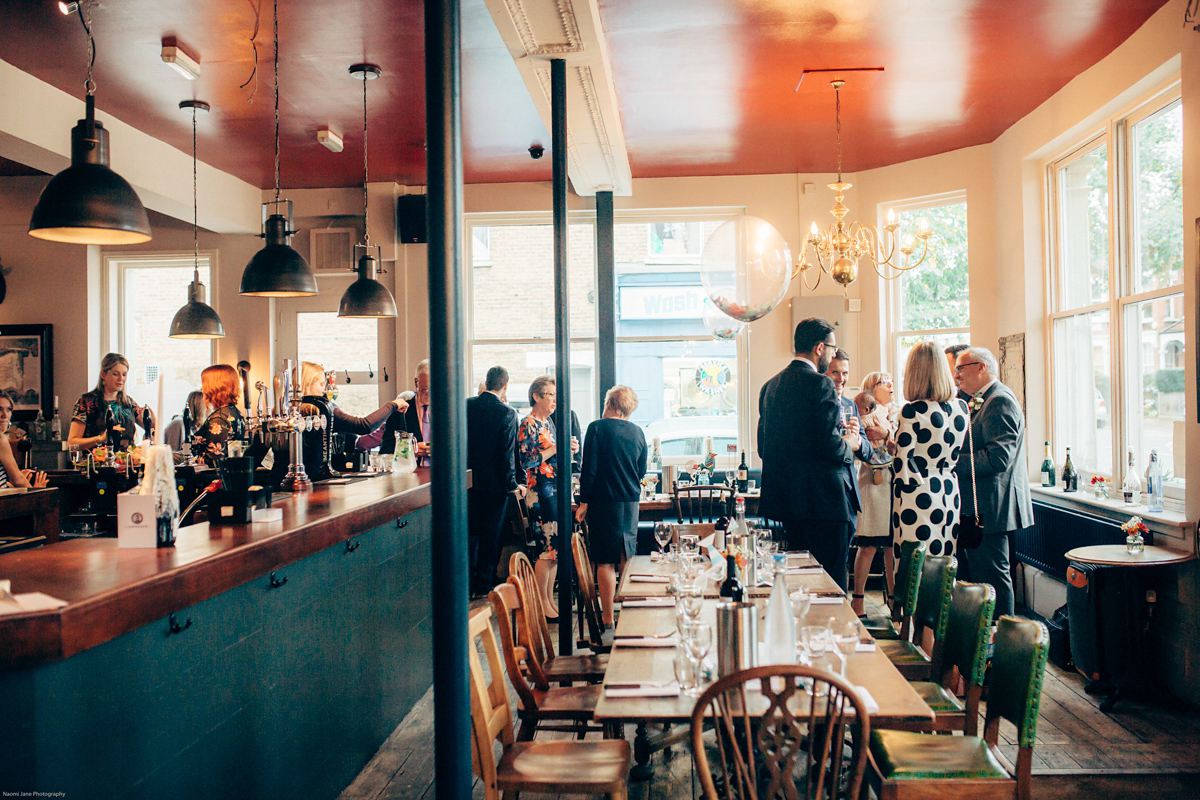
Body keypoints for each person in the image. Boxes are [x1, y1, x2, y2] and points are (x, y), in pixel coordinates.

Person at [758, 318, 861, 590]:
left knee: (797, 584)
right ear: (819, 348)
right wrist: (849, 444)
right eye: (832, 348)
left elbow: (762, 447)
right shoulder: (820, 384)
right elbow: (829, 444)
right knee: (831, 586)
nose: (833, 354)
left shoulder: (769, 386)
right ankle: (835, 632)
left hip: (786, 505)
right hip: (824, 503)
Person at [953, 346, 1033, 618]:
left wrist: (951, 461)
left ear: (981, 367)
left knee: (993, 581)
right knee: (977, 579)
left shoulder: (999, 401)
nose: (957, 375)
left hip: (991, 506)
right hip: (978, 505)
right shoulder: (980, 399)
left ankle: (999, 644)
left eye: (961, 368)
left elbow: (999, 459)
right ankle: (979, 640)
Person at [574, 386, 648, 627]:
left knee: (605, 560)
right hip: (630, 501)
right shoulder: (638, 432)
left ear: (612, 404)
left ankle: (607, 617)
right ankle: (628, 612)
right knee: (627, 555)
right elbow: (641, 470)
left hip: (604, 501)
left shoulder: (597, 428)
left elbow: (589, 469)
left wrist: (584, 502)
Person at [892, 341, 970, 565]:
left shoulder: (913, 410)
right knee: (943, 561)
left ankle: (912, 602)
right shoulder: (961, 408)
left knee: (914, 562)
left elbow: (903, 464)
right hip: (949, 489)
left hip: (918, 492)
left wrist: (893, 447)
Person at [467, 366, 525, 598]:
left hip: (468, 482)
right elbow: (506, 453)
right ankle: (484, 584)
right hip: (494, 485)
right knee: (492, 535)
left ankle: (467, 582)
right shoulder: (507, 413)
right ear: (505, 386)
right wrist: (511, 483)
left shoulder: (466, 406)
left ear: (486, 382)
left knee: (470, 533)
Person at [519, 375, 568, 620]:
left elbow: (552, 455)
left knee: (556, 550)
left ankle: (549, 601)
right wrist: (556, 449)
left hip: (555, 490)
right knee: (545, 550)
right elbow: (527, 461)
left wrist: (568, 449)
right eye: (550, 395)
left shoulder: (548, 422)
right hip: (539, 493)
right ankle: (540, 605)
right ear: (536, 396)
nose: (554, 401)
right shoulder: (527, 423)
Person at [851, 371, 899, 614]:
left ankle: (894, 599)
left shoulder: (896, 414)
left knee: (892, 545)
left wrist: (888, 434)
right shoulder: (865, 414)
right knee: (869, 543)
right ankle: (858, 598)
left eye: (891, 381)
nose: (890, 386)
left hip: (895, 485)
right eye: (883, 382)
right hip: (873, 481)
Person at [298, 361, 408, 441]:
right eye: (321, 384)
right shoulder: (323, 411)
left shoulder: (293, 411)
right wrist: (393, 405)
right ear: (308, 384)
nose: (324, 389)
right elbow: (364, 426)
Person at [68, 353, 154, 451]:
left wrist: (153, 422)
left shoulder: (129, 403)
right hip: (96, 463)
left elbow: (151, 428)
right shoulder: (86, 402)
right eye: (115, 374)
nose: (121, 379)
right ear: (103, 374)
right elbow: (72, 443)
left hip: (127, 463)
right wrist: (100, 439)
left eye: (124, 374)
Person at [192, 365, 247, 468]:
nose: (202, 388)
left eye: (204, 384)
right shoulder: (235, 413)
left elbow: (215, 458)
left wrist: (191, 460)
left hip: (212, 479)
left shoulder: (219, 419)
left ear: (214, 387)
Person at [376, 360, 431, 463]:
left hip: (442, 473)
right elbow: (385, 452)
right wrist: (410, 449)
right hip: (410, 475)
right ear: (416, 383)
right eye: (425, 389)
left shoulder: (447, 413)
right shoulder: (399, 412)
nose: (429, 394)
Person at [0, 392, 46, 489]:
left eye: (9, 409)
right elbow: (17, 480)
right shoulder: (1, 440)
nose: (5, 415)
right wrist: (36, 492)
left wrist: (13, 483)